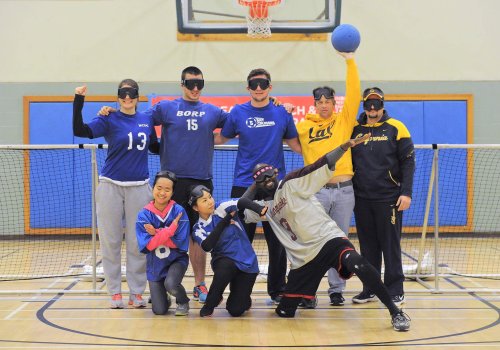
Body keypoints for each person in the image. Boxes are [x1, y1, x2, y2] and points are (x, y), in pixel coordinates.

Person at [237, 134, 411, 332]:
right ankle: (308, 294)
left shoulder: (291, 184)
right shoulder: (262, 208)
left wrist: (343, 148)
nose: (267, 180)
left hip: (328, 240)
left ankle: (395, 312)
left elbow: (318, 165)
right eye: (261, 178)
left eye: (269, 175)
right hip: (304, 259)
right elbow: (240, 206)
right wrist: (255, 183)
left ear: (277, 173)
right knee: (285, 312)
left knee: (358, 263)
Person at [99, 66, 228, 303]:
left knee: (198, 236)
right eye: (190, 84)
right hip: (171, 183)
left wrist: (277, 104)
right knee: (164, 235)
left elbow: (235, 126)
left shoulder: (213, 112)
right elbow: (134, 117)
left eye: (200, 84)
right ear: (182, 85)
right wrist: (111, 112)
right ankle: (165, 285)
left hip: (201, 180)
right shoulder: (165, 108)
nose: (195, 88)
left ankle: (200, 285)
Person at [216, 68, 302, 303]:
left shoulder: (282, 112)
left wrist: (327, 152)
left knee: (278, 243)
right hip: (244, 187)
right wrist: (186, 138)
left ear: (270, 86)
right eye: (254, 84)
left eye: (263, 84)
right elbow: (221, 138)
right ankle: (240, 292)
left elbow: (297, 144)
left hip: (275, 187)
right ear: (248, 88)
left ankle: (277, 291)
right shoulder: (238, 113)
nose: (258, 88)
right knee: (241, 242)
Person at [73, 80, 158, 308]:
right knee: (110, 241)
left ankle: (137, 292)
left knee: (137, 242)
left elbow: (156, 147)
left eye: (131, 94)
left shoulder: (147, 119)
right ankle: (114, 292)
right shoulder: (108, 118)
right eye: (123, 93)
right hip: (111, 185)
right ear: (118, 96)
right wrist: (79, 100)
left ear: (138, 96)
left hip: (140, 187)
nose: (127, 97)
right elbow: (80, 131)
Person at [295, 51, 361, 307]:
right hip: (317, 192)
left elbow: (355, 93)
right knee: (311, 240)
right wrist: (281, 107)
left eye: (328, 100)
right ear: (314, 104)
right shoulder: (303, 127)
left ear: (334, 103)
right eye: (319, 101)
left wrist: (350, 61)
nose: (323, 104)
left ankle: (336, 289)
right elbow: (282, 133)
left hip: (344, 191)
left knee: (339, 240)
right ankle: (307, 291)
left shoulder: (343, 122)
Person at [350, 87, 416, 307]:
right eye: (368, 104)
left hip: (389, 198)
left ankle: (395, 289)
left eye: (376, 104)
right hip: (361, 198)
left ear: (382, 105)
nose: (372, 108)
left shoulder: (396, 128)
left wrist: (405, 193)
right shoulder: (354, 129)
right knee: (367, 247)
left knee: (390, 246)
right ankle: (370, 288)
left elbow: (408, 162)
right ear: (363, 105)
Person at [188, 185, 259, 317]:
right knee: (224, 268)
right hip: (224, 260)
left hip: (247, 262)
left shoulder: (222, 207)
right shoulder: (198, 228)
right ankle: (211, 302)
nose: (210, 202)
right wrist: (225, 221)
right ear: (195, 207)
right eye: (204, 200)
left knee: (236, 310)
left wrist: (259, 209)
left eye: (210, 197)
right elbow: (207, 245)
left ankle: (242, 296)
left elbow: (242, 201)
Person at [136, 170, 191, 316]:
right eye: (159, 188)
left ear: (172, 192)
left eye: (167, 189)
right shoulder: (143, 214)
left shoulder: (179, 212)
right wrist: (170, 229)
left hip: (176, 260)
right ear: (153, 188)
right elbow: (148, 246)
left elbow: (179, 244)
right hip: (155, 264)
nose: (162, 193)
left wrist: (156, 233)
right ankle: (162, 296)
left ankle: (183, 301)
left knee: (171, 284)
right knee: (159, 311)